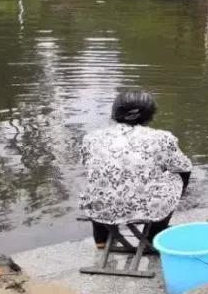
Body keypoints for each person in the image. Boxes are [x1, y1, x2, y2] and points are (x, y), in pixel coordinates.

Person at [79, 90, 192, 248]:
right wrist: (181, 189)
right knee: (178, 176)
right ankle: (154, 235)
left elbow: (87, 164)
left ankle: (101, 239)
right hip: (148, 208)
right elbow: (183, 167)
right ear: (149, 115)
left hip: (100, 208)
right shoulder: (162, 138)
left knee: (99, 182)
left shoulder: (91, 138)